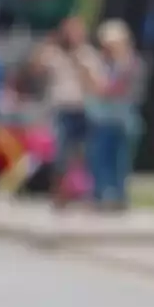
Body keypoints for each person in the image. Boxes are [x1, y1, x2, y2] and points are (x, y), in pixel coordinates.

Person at [38, 15, 104, 207]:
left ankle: (80, 193)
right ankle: (58, 195)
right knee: (60, 154)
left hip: (83, 109)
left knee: (81, 154)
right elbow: (36, 69)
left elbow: (97, 86)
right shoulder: (54, 54)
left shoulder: (89, 55)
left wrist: (80, 65)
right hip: (61, 108)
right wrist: (47, 46)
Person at [84, 19, 145, 211]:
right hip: (103, 119)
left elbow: (111, 89)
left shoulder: (131, 63)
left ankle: (117, 197)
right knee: (100, 159)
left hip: (122, 119)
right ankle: (102, 195)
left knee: (119, 161)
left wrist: (95, 80)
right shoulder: (105, 63)